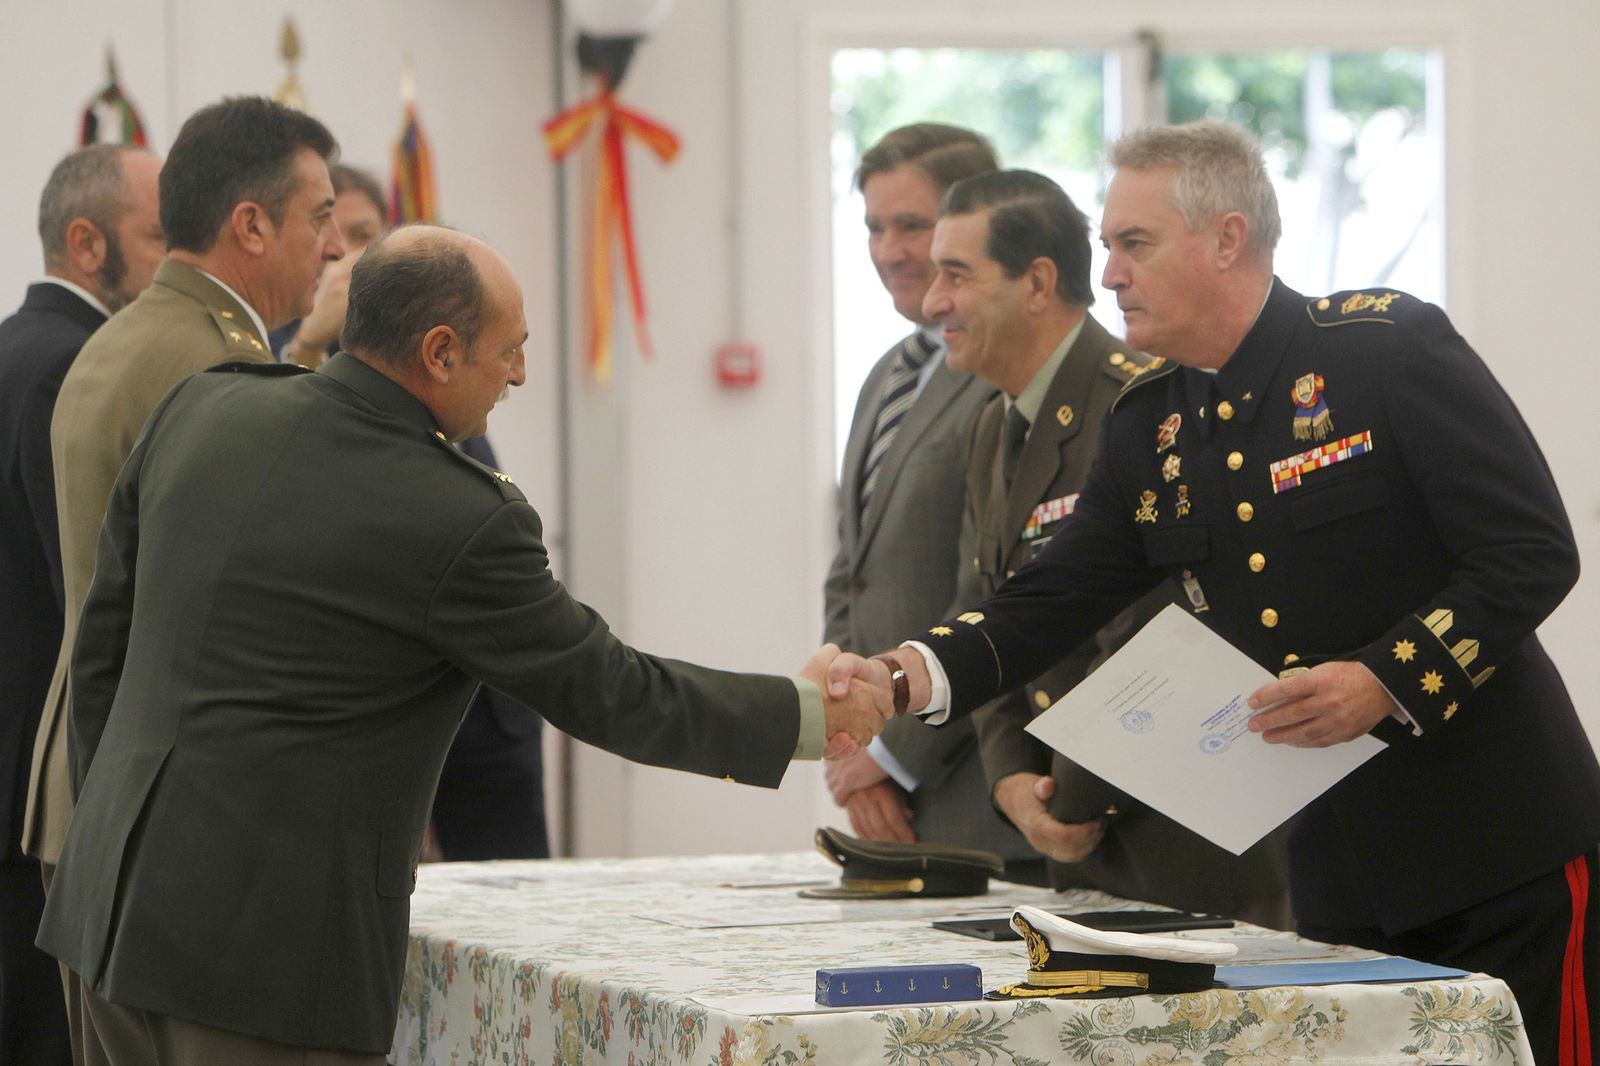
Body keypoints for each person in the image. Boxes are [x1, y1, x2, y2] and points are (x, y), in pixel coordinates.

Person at [831, 119, 1600, 1065]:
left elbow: (1530, 552)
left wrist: (1383, 680)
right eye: (1108, 245)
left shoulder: (1383, 350)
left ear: (1227, 238)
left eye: (1134, 244)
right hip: (1333, 873)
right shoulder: (1151, 425)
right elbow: (1048, 598)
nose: (1109, 275)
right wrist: (902, 675)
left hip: (1498, 845)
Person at [36, 225, 890, 1065]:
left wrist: (107, 834)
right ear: (440, 352)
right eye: (510, 351)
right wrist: (807, 712)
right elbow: (610, 690)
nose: (519, 374)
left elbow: (100, 648)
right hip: (260, 963)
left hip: (105, 913)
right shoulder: (456, 513)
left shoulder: (203, 406)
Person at [922, 168, 1288, 926]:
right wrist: (1011, 782)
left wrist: (1065, 794)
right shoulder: (991, 426)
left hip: (1173, 831)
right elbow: (987, 611)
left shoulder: (1144, 406)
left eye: (955, 275)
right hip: (1069, 831)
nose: (932, 303)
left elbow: (1157, 627)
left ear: (1037, 283)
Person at [25, 96, 344, 894]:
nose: (336, 246)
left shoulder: (130, 335)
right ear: (251, 226)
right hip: (168, 807)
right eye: (320, 217)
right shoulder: (211, 365)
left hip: (101, 782)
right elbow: (255, 608)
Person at [271, 162, 552, 860]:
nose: (351, 256)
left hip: (486, 707)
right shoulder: (281, 360)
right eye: (338, 238)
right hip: (368, 704)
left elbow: (477, 492)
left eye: (369, 235)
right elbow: (283, 471)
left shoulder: (450, 358)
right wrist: (310, 341)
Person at [822, 124, 1033, 872]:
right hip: (885, 791)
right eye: (874, 227)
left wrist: (892, 756)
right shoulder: (889, 372)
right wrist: (850, 736)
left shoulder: (1004, 373)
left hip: (981, 789)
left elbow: (990, 591)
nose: (888, 251)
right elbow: (852, 573)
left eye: (910, 225)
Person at [0, 143, 162, 1066]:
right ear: (87, 243)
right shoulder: (75, 366)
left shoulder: (13, 346)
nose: (175, 257)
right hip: (35, 772)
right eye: (160, 235)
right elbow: (86, 594)